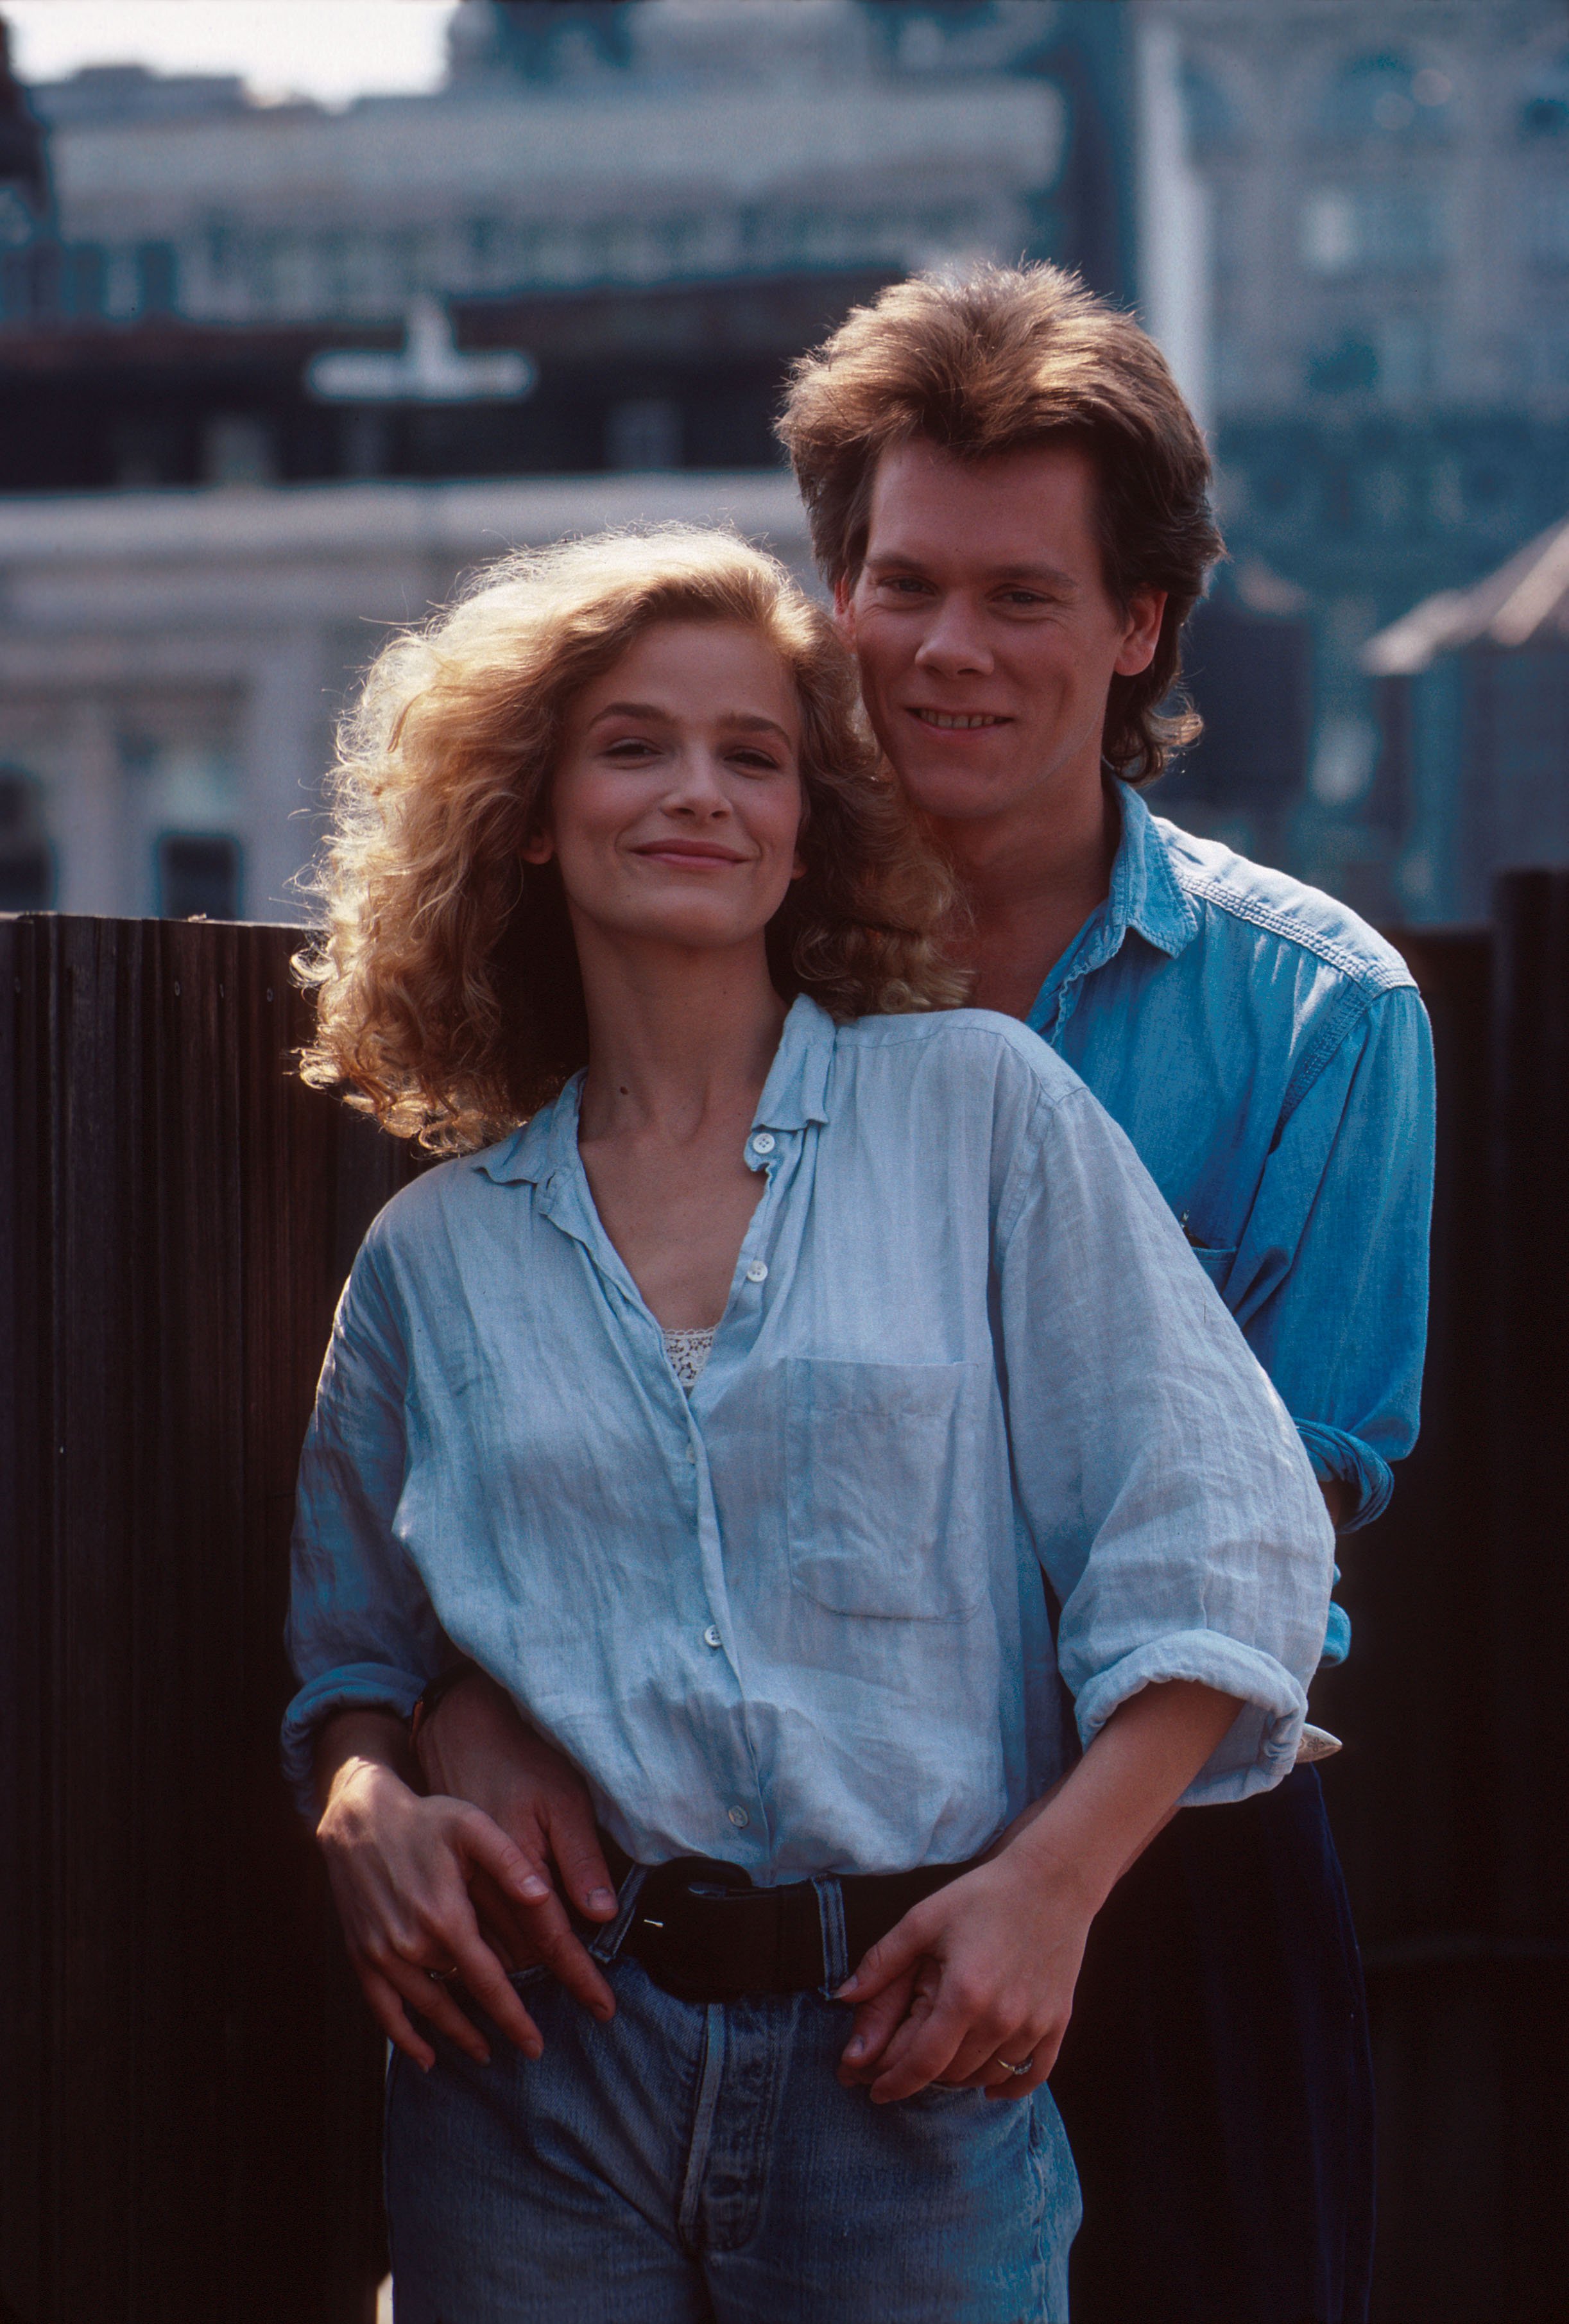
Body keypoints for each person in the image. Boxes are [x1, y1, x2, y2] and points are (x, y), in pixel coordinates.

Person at [420, 270, 1436, 2324]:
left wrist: (1045, 1870)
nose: (947, 651)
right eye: (902, 584)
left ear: (1142, 628)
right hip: (742, 1924)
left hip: (1168, 1862)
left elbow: (1283, 1506)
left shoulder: (1317, 1012)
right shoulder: (667, 942)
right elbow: (477, 1449)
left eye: (1024, 597)